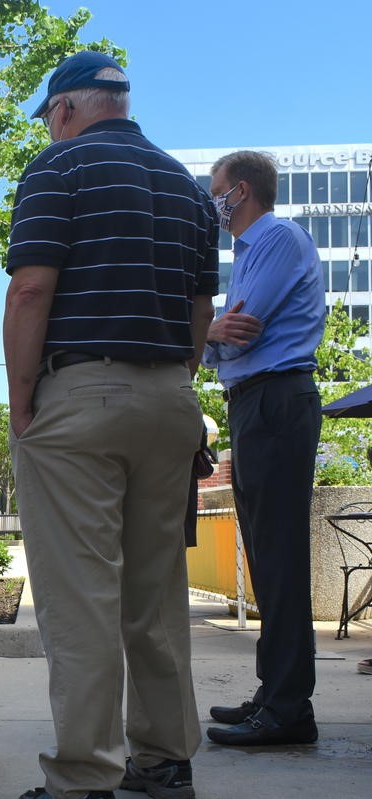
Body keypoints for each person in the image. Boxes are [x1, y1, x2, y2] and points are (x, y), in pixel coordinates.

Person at [2, 51, 217, 799]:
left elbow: (31, 290)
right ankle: (163, 760)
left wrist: (22, 401)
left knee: (80, 594)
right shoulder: (188, 189)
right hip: (169, 398)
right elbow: (200, 312)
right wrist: (172, 385)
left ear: (64, 110)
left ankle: (82, 777)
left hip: (81, 394)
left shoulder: (56, 170)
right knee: (157, 590)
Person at [201, 150, 325, 747]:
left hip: (275, 400)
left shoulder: (277, 238)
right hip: (255, 403)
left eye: (216, 190)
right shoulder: (247, 255)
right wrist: (213, 335)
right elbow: (218, 343)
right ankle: (274, 693)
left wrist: (213, 335)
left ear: (241, 190)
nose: (212, 200)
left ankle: (287, 709)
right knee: (265, 555)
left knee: (278, 558)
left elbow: (240, 328)